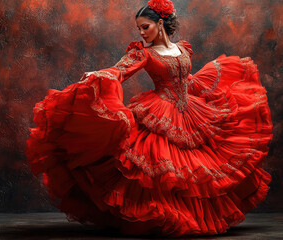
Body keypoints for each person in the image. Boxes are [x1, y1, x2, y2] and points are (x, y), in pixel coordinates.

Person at [25, 0, 273, 237]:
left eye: (146, 27)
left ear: (161, 23)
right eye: (139, 28)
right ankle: (168, 218)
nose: (142, 33)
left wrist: (205, 91)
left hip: (191, 110)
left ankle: (194, 219)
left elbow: (184, 79)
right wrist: (99, 74)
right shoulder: (143, 54)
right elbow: (119, 70)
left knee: (196, 170)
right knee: (161, 169)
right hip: (159, 111)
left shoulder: (183, 48)